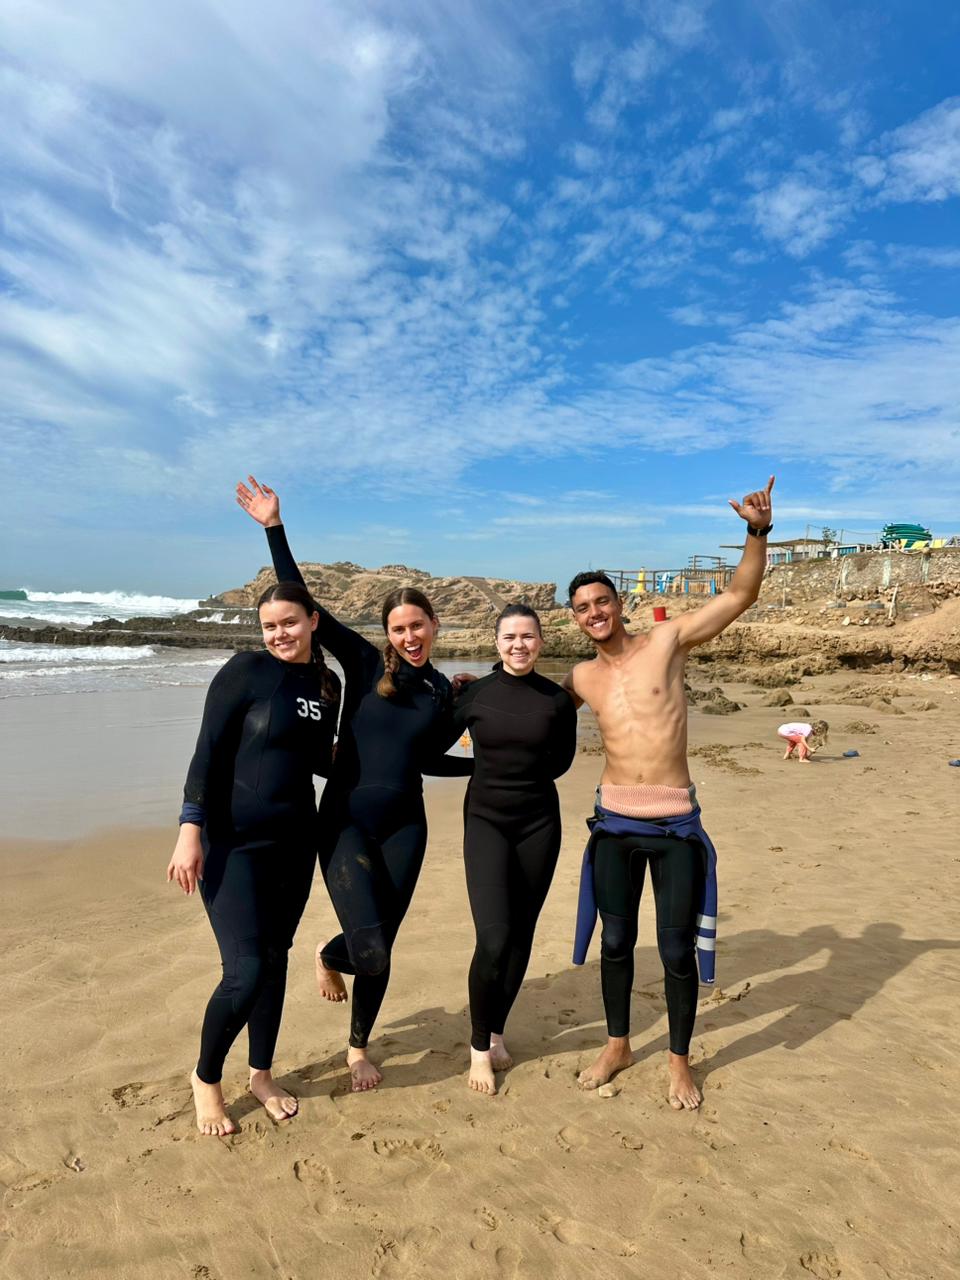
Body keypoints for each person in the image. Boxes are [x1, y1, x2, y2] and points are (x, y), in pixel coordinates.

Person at [236, 476, 471, 1091]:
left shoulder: (443, 694)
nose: (409, 637)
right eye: (399, 628)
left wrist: (484, 764)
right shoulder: (365, 664)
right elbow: (306, 602)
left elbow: (429, 760)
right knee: (369, 947)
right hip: (345, 823)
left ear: (434, 624)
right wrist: (274, 528)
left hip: (406, 826)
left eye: (417, 625)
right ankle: (329, 954)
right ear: (388, 633)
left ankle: (357, 1049)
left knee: (382, 945)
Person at [564, 476, 776, 1110]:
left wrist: (757, 531)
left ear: (618, 605)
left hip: (674, 825)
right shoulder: (579, 678)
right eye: (583, 607)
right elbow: (522, 713)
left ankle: (679, 1061)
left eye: (602, 601)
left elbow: (740, 593)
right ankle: (618, 1044)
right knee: (615, 943)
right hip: (613, 824)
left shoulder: (667, 641)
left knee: (676, 948)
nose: (595, 612)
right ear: (574, 618)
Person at [167, 582, 341, 1136]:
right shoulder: (244, 671)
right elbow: (207, 750)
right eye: (269, 626)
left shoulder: (327, 685)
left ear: (313, 621)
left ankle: (261, 1075)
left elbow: (320, 760)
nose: (279, 634)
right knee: (245, 971)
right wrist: (189, 830)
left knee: (276, 958)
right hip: (233, 843)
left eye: (289, 622)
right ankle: (206, 1078)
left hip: (295, 842)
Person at [452, 605, 578, 1095]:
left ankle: (497, 1032)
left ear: (541, 641)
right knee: (494, 938)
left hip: (539, 825)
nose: (519, 645)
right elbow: (429, 746)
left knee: (521, 934)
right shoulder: (474, 695)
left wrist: (517, 776)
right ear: (496, 642)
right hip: (486, 822)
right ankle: (478, 1048)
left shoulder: (557, 701)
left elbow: (561, 762)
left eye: (527, 636)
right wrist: (479, 771)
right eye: (510, 637)